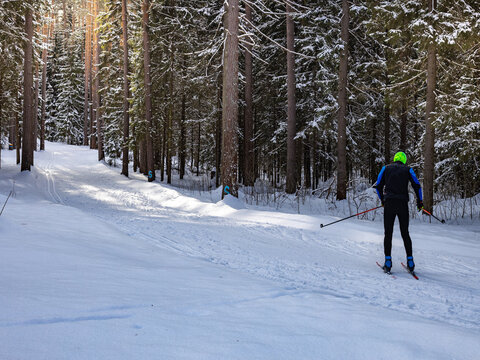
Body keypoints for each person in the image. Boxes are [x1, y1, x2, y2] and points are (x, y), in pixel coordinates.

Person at [375, 151, 423, 273]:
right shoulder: (408, 170)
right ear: (404, 160)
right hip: (402, 204)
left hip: (389, 203)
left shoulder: (386, 168)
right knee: (405, 233)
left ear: (395, 158)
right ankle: (410, 262)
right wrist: (420, 202)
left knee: (388, 233)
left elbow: (378, 185)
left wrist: (382, 200)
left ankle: (388, 261)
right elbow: (417, 185)